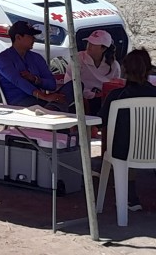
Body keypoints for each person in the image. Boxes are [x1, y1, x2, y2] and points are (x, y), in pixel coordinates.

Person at [99, 48, 156, 212]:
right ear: (149, 69)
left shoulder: (116, 95)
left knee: (124, 142)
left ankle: (130, 197)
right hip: (153, 150)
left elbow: (102, 121)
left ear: (124, 69)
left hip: (124, 152)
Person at [0, 21, 73, 110]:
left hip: (41, 99)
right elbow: (18, 81)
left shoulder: (36, 58)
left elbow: (52, 85)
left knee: (74, 86)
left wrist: (35, 79)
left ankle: (53, 108)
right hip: (18, 102)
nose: (34, 39)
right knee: (66, 106)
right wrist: (45, 96)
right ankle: (54, 108)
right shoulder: (2, 59)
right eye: (30, 36)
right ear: (18, 37)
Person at [64, 29, 120, 115]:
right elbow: (69, 83)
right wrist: (90, 95)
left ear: (104, 48)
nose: (89, 46)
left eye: (94, 44)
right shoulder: (78, 59)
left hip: (103, 101)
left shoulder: (114, 65)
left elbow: (115, 86)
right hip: (79, 99)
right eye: (89, 42)